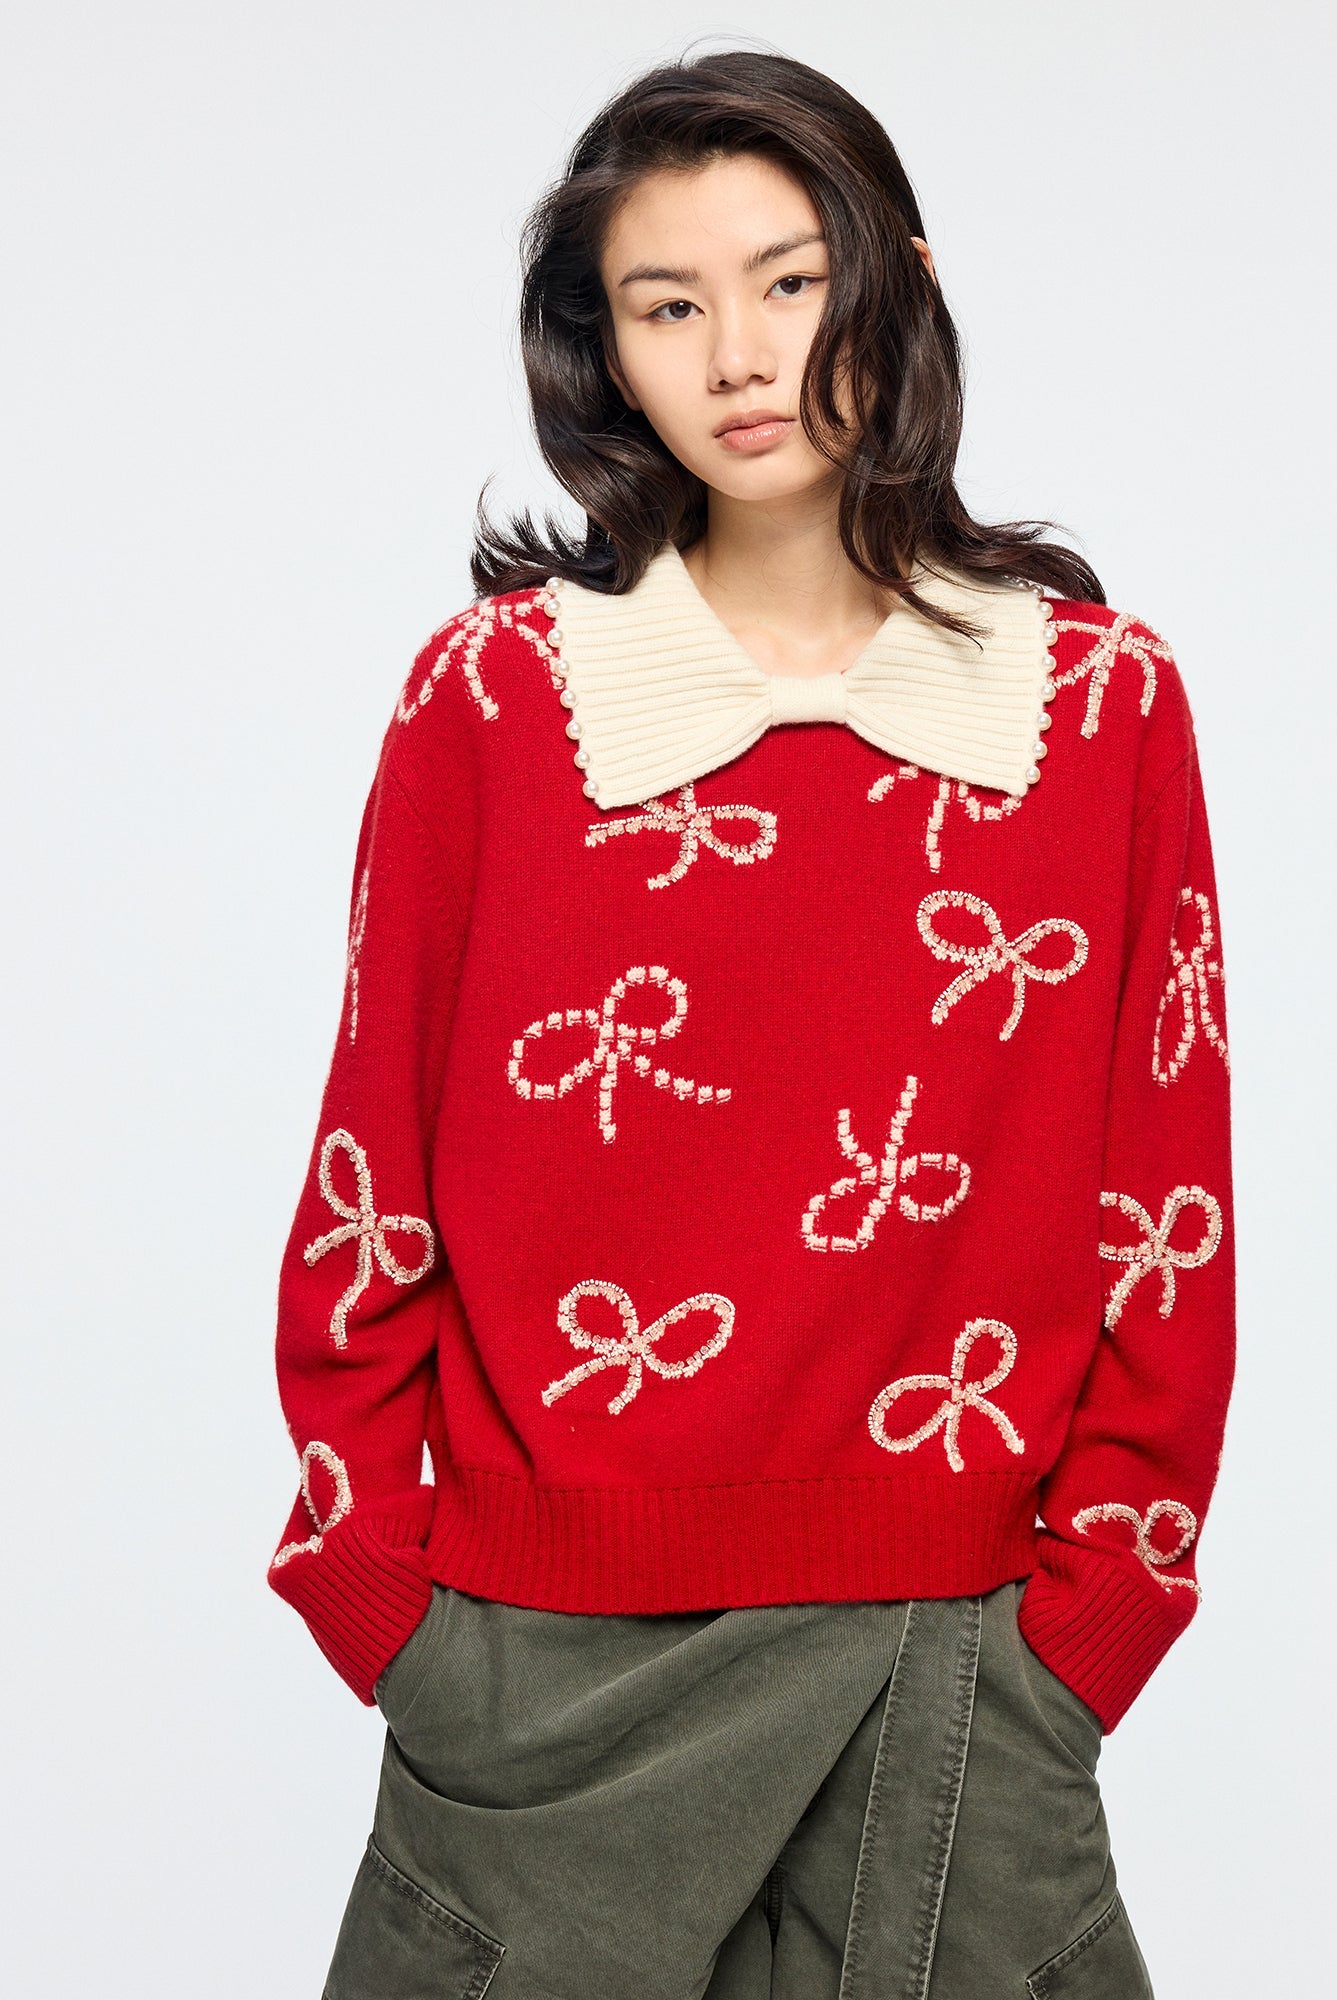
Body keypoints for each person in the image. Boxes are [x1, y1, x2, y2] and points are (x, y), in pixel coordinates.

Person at [266, 46, 1235, 2000]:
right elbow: (370, 1176)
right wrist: (377, 1595)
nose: (740, 354)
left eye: (792, 281)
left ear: (901, 282)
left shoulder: (1097, 710)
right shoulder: (493, 708)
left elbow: (1166, 1207)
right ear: (605, 354)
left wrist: (1089, 1630)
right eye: (667, 304)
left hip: (953, 1668)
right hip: (543, 1678)